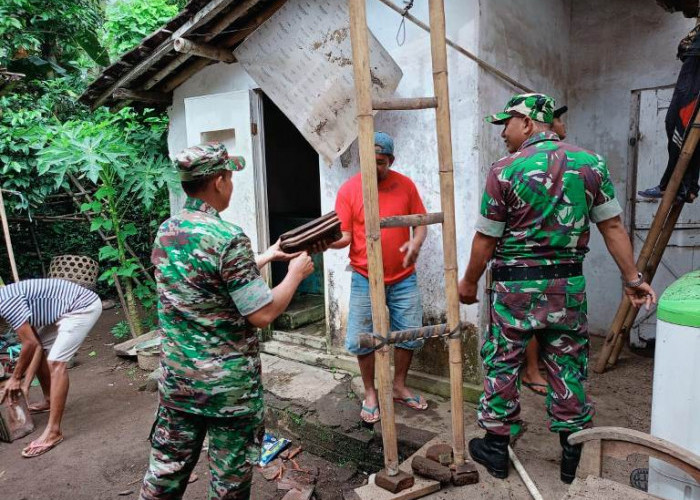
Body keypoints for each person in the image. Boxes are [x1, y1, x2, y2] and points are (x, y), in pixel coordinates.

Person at [458, 93, 657, 483]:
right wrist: (633, 279)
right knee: (566, 363)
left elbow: (486, 238)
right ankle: (572, 453)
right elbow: (612, 226)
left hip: (514, 287)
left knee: (503, 360)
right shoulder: (590, 164)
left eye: (507, 123)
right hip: (567, 286)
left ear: (529, 122)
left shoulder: (504, 170)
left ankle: (495, 449)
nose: (502, 132)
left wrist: (468, 282)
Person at [139, 142, 314, 500]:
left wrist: (266, 256)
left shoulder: (168, 230)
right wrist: (294, 274)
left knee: (165, 474)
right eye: (230, 178)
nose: (231, 185)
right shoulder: (227, 237)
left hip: (178, 381)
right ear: (218, 181)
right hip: (226, 392)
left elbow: (204, 283)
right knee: (228, 484)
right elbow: (261, 313)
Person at [331, 131, 428, 424]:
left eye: (381, 162)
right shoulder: (349, 190)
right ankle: (370, 392)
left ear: (391, 160)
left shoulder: (405, 186)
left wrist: (416, 242)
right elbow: (345, 236)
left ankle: (398, 385)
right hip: (364, 275)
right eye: (369, 162)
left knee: (410, 333)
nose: (375, 168)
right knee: (362, 339)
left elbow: (421, 223)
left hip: (404, 277)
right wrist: (326, 240)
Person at [0, 278, 102, 457]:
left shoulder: (6, 303)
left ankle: (54, 432)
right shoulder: (7, 300)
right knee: (42, 346)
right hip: (65, 309)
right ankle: (48, 399)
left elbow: (29, 344)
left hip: (82, 306)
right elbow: (36, 346)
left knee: (56, 362)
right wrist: (25, 385)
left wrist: (15, 378)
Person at [522, 103, 568, 396]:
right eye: (559, 121)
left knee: (548, 319)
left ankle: (543, 370)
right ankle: (531, 370)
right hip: (528, 258)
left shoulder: (569, 160)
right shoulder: (518, 164)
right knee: (529, 319)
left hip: (557, 258)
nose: (563, 126)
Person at [638, 25, 700, 203]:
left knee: (680, 129)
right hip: (691, 71)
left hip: (694, 76)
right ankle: (688, 188)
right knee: (675, 125)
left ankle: (676, 186)